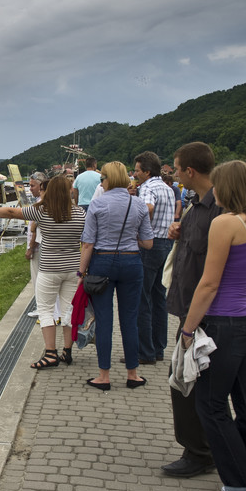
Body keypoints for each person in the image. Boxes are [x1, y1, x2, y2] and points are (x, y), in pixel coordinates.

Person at [180, 160, 246, 491]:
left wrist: (189, 329)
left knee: (211, 406)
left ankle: (243, 487)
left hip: (222, 325)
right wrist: (245, 312)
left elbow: (209, 283)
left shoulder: (224, 223)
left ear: (227, 188)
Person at [0, 175, 86, 368]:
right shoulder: (80, 214)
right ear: (69, 192)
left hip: (50, 268)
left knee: (45, 309)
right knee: (69, 310)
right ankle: (67, 351)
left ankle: (50, 353)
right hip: (72, 268)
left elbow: (10, 211)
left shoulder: (42, 211)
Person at [160, 141, 220, 478]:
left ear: (190, 171)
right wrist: (177, 234)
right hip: (189, 307)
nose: (175, 173)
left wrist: (189, 326)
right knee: (185, 381)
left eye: (177, 168)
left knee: (188, 381)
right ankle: (199, 447)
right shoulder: (196, 207)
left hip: (202, 314)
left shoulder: (218, 211)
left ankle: (199, 452)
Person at [78, 161, 154, 390]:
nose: (101, 181)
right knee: (130, 320)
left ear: (109, 179)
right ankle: (133, 374)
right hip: (132, 261)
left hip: (103, 262)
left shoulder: (97, 204)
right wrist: (131, 237)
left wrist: (81, 272)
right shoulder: (139, 204)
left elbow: (88, 243)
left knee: (104, 320)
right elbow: (148, 243)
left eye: (102, 178)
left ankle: (104, 376)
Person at [133, 151, 176, 364]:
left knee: (142, 298)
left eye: (137, 170)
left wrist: (139, 226)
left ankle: (144, 351)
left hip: (150, 245)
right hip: (166, 243)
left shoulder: (148, 187)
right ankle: (158, 348)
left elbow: (147, 207)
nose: (135, 174)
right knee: (159, 297)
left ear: (147, 171)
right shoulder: (167, 188)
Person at [25, 172, 47, 318]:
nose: (30, 188)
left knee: (37, 279)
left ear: (41, 185)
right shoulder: (45, 202)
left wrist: (30, 248)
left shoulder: (39, 204)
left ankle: (41, 308)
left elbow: (34, 229)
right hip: (42, 246)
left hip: (38, 248)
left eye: (33, 185)